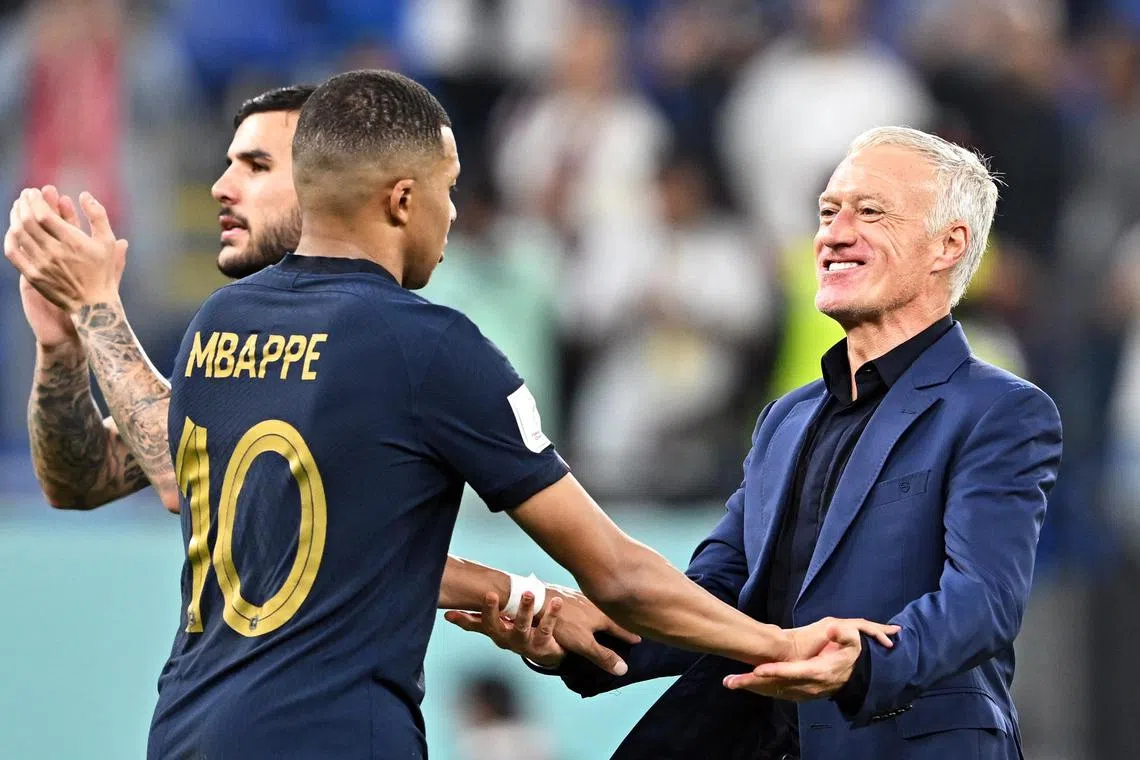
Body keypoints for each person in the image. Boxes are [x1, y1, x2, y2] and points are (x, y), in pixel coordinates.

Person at [7, 70, 896, 759]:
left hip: (189, 726)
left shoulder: (217, 325)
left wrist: (510, 590)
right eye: (450, 188)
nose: (456, 211)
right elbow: (618, 574)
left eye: (253, 164)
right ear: (402, 197)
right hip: (331, 736)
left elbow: (316, 537)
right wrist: (779, 644)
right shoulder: (428, 345)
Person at [448, 126, 1063, 760]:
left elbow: (983, 600)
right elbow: (719, 593)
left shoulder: (1001, 411)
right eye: (828, 212)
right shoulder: (786, 420)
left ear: (948, 245)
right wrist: (588, 639)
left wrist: (859, 665)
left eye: (869, 212)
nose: (834, 233)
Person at [6, 83, 639, 676]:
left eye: (257, 167)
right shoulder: (240, 332)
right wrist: (62, 345)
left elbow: (183, 484)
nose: (221, 186)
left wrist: (98, 309)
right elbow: (82, 480)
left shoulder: (398, 333)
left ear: (325, 177)